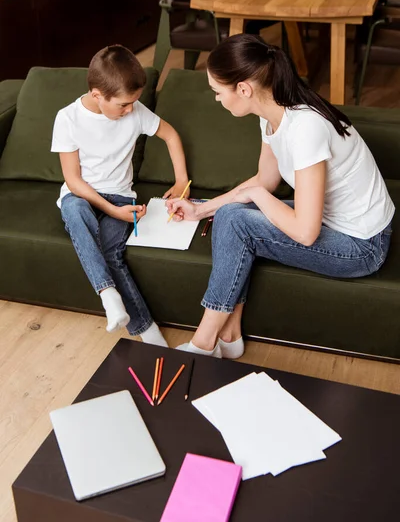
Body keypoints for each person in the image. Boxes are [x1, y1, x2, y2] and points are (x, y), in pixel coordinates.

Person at [167, 34, 395, 359]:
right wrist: (200, 210)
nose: (217, 99)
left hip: (362, 245)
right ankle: (228, 335)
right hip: (331, 220)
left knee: (238, 221)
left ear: (243, 89)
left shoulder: (306, 128)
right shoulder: (272, 115)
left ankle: (204, 343)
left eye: (218, 92)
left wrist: (255, 195)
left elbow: (305, 231)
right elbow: (265, 180)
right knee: (231, 215)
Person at [51, 45, 189, 345]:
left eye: (134, 103)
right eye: (123, 105)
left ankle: (145, 331)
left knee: (112, 253)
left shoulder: (136, 112)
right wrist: (112, 212)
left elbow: (171, 135)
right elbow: (73, 181)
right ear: (98, 94)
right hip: (81, 195)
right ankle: (108, 294)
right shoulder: (68, 118)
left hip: (121, 196)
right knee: (74, 209)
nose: (130, 110)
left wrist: (181, 181)